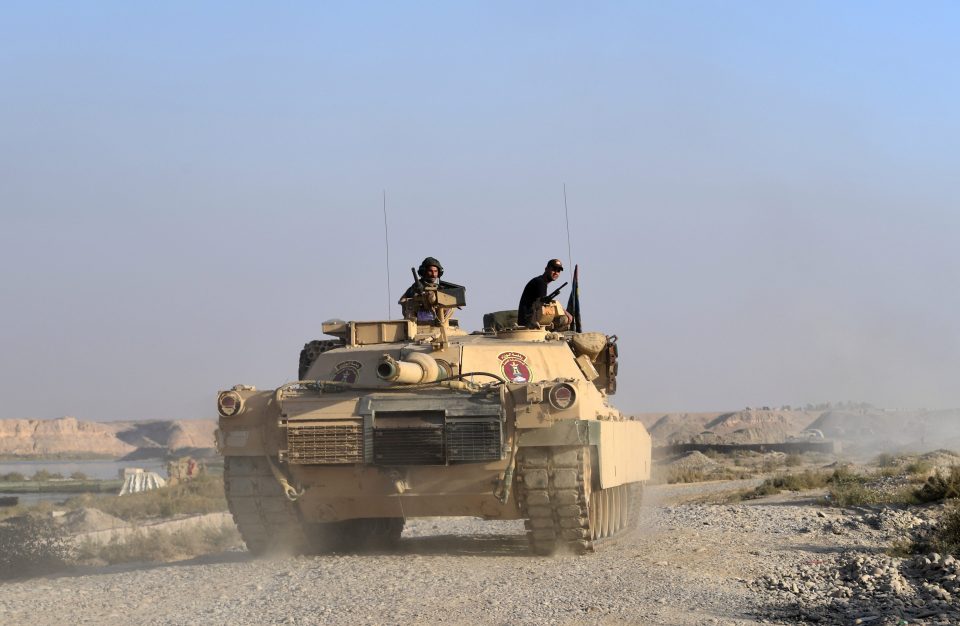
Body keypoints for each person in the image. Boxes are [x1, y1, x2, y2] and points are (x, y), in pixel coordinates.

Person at [517, 259, 572, 328]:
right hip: (529, 322)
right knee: (564, 319)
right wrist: (565, 312)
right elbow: (543, 306)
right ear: (546, 269)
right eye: (554, 269)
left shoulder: (540, 281)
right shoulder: (541, 283)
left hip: (530, 319)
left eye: (558, 271)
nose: (556, 272)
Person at [399, 256, 457, 321]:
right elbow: (402, 301)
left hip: (440, 321)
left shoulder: (441, 288)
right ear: (424, 272)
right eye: (430, 271)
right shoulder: (415, 287)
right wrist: (416, 299)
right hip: (417, 320)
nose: (433, 274)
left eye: (435, 271)